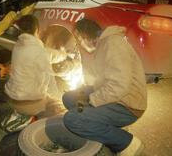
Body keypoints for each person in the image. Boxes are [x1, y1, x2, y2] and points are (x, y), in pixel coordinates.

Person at [62, 18, 147, 156]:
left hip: (128, 105)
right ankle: (98, 122)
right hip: (115, 96)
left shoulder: (113, 44)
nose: (79, 44)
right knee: (69, 98)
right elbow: (102, 78)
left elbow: (119, 86)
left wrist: (91, 100)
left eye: (78, 40)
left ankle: (126, 142)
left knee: (72, 119)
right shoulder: (103, 44)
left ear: (83, 35)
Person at [0, 14, 67, 132]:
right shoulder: (39, 52)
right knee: (56, 104)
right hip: (27, 103)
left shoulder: (19, 45)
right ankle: (27, 117)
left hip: (10, 97)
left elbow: (48, 54)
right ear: (37, 29)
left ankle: (18, 113)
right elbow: (50, 80)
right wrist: (59, 99)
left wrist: (61, 55)